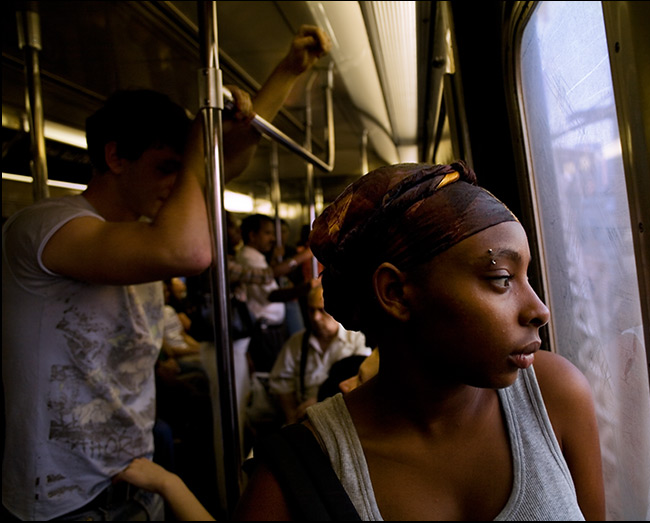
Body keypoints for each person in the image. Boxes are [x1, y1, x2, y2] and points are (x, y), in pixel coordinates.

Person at [1, 24, 331, 521]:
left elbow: (219, 165)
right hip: (64, 500)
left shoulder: (141, 229)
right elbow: (189, 251)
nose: (179, 186)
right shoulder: (47, 227)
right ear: (115, 156)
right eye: (164, 167)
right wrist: (199, 138)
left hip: (136, 479)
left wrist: (283, 75)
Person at [234, 161, 605, 521]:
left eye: (528, 276)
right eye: (502, 278)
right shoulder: (291, 479)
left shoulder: (556, 395)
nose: (539, 310)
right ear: (395, 292)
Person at [269, 283, 372, 425]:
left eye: (321, 310)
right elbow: (281, 383)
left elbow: (361, 386)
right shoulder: (297, 342)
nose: (316, 317)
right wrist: (292, 417)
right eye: (311, 311)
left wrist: (319, 400)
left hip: (344, 419)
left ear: (335, 310)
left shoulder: (357, 342)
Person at [237, 214, 313, 372]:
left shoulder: (257, 257)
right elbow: (271, 295)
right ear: (252, 235)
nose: (273, 238)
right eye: (268, 233)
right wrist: (306, 288)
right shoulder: (248, 257)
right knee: (272, 372)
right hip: (264, 330)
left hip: (272, 328)